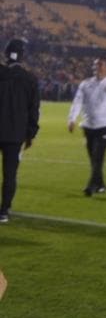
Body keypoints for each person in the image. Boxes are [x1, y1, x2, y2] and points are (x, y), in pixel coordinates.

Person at [68, 57, 106, 195]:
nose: (97, 68)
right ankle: (101, 185)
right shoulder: (85, 84)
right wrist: (72, 119)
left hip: (105, 125)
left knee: (98, 156)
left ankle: (91, 186)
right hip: (88, 125)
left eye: (100, 65)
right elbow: (77, 102)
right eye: (95, 65)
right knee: (93, 158)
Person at [0, 38, 40, 224]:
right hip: (15, 135)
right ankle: (4, 210)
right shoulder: (30, 79)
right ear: (23, 55)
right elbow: (34, 110)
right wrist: (30, 134)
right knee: (10, 174)